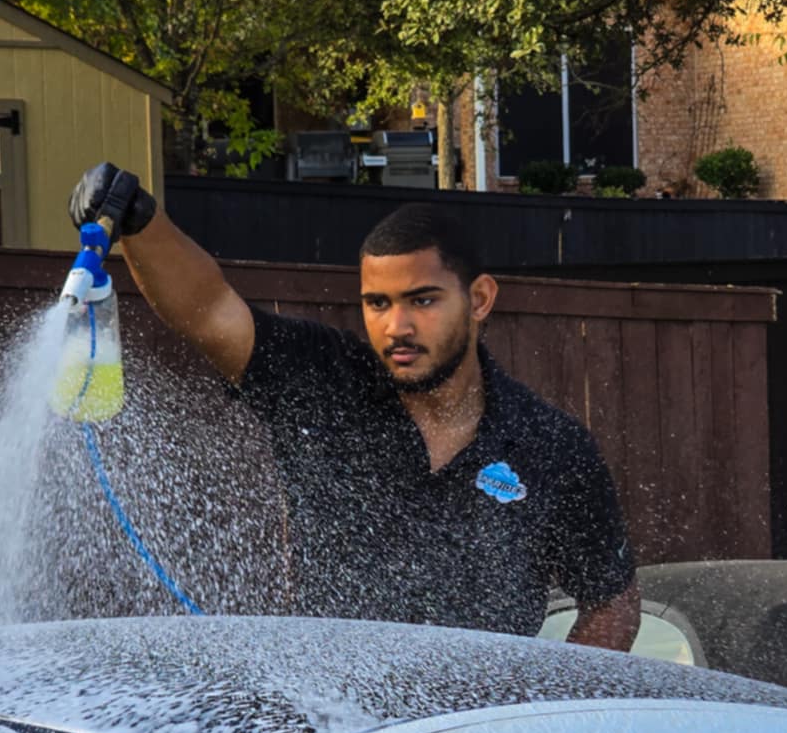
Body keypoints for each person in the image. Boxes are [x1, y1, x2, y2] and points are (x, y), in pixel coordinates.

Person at [68, 164, 641, 648]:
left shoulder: (550, 445)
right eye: (377, 303)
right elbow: (210, 310)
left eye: (423, 300)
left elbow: (612, 604)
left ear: (480, 299)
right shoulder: (321, 382)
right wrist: (143, 221)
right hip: (335, 731)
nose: (397, 326)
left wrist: (537, 712)